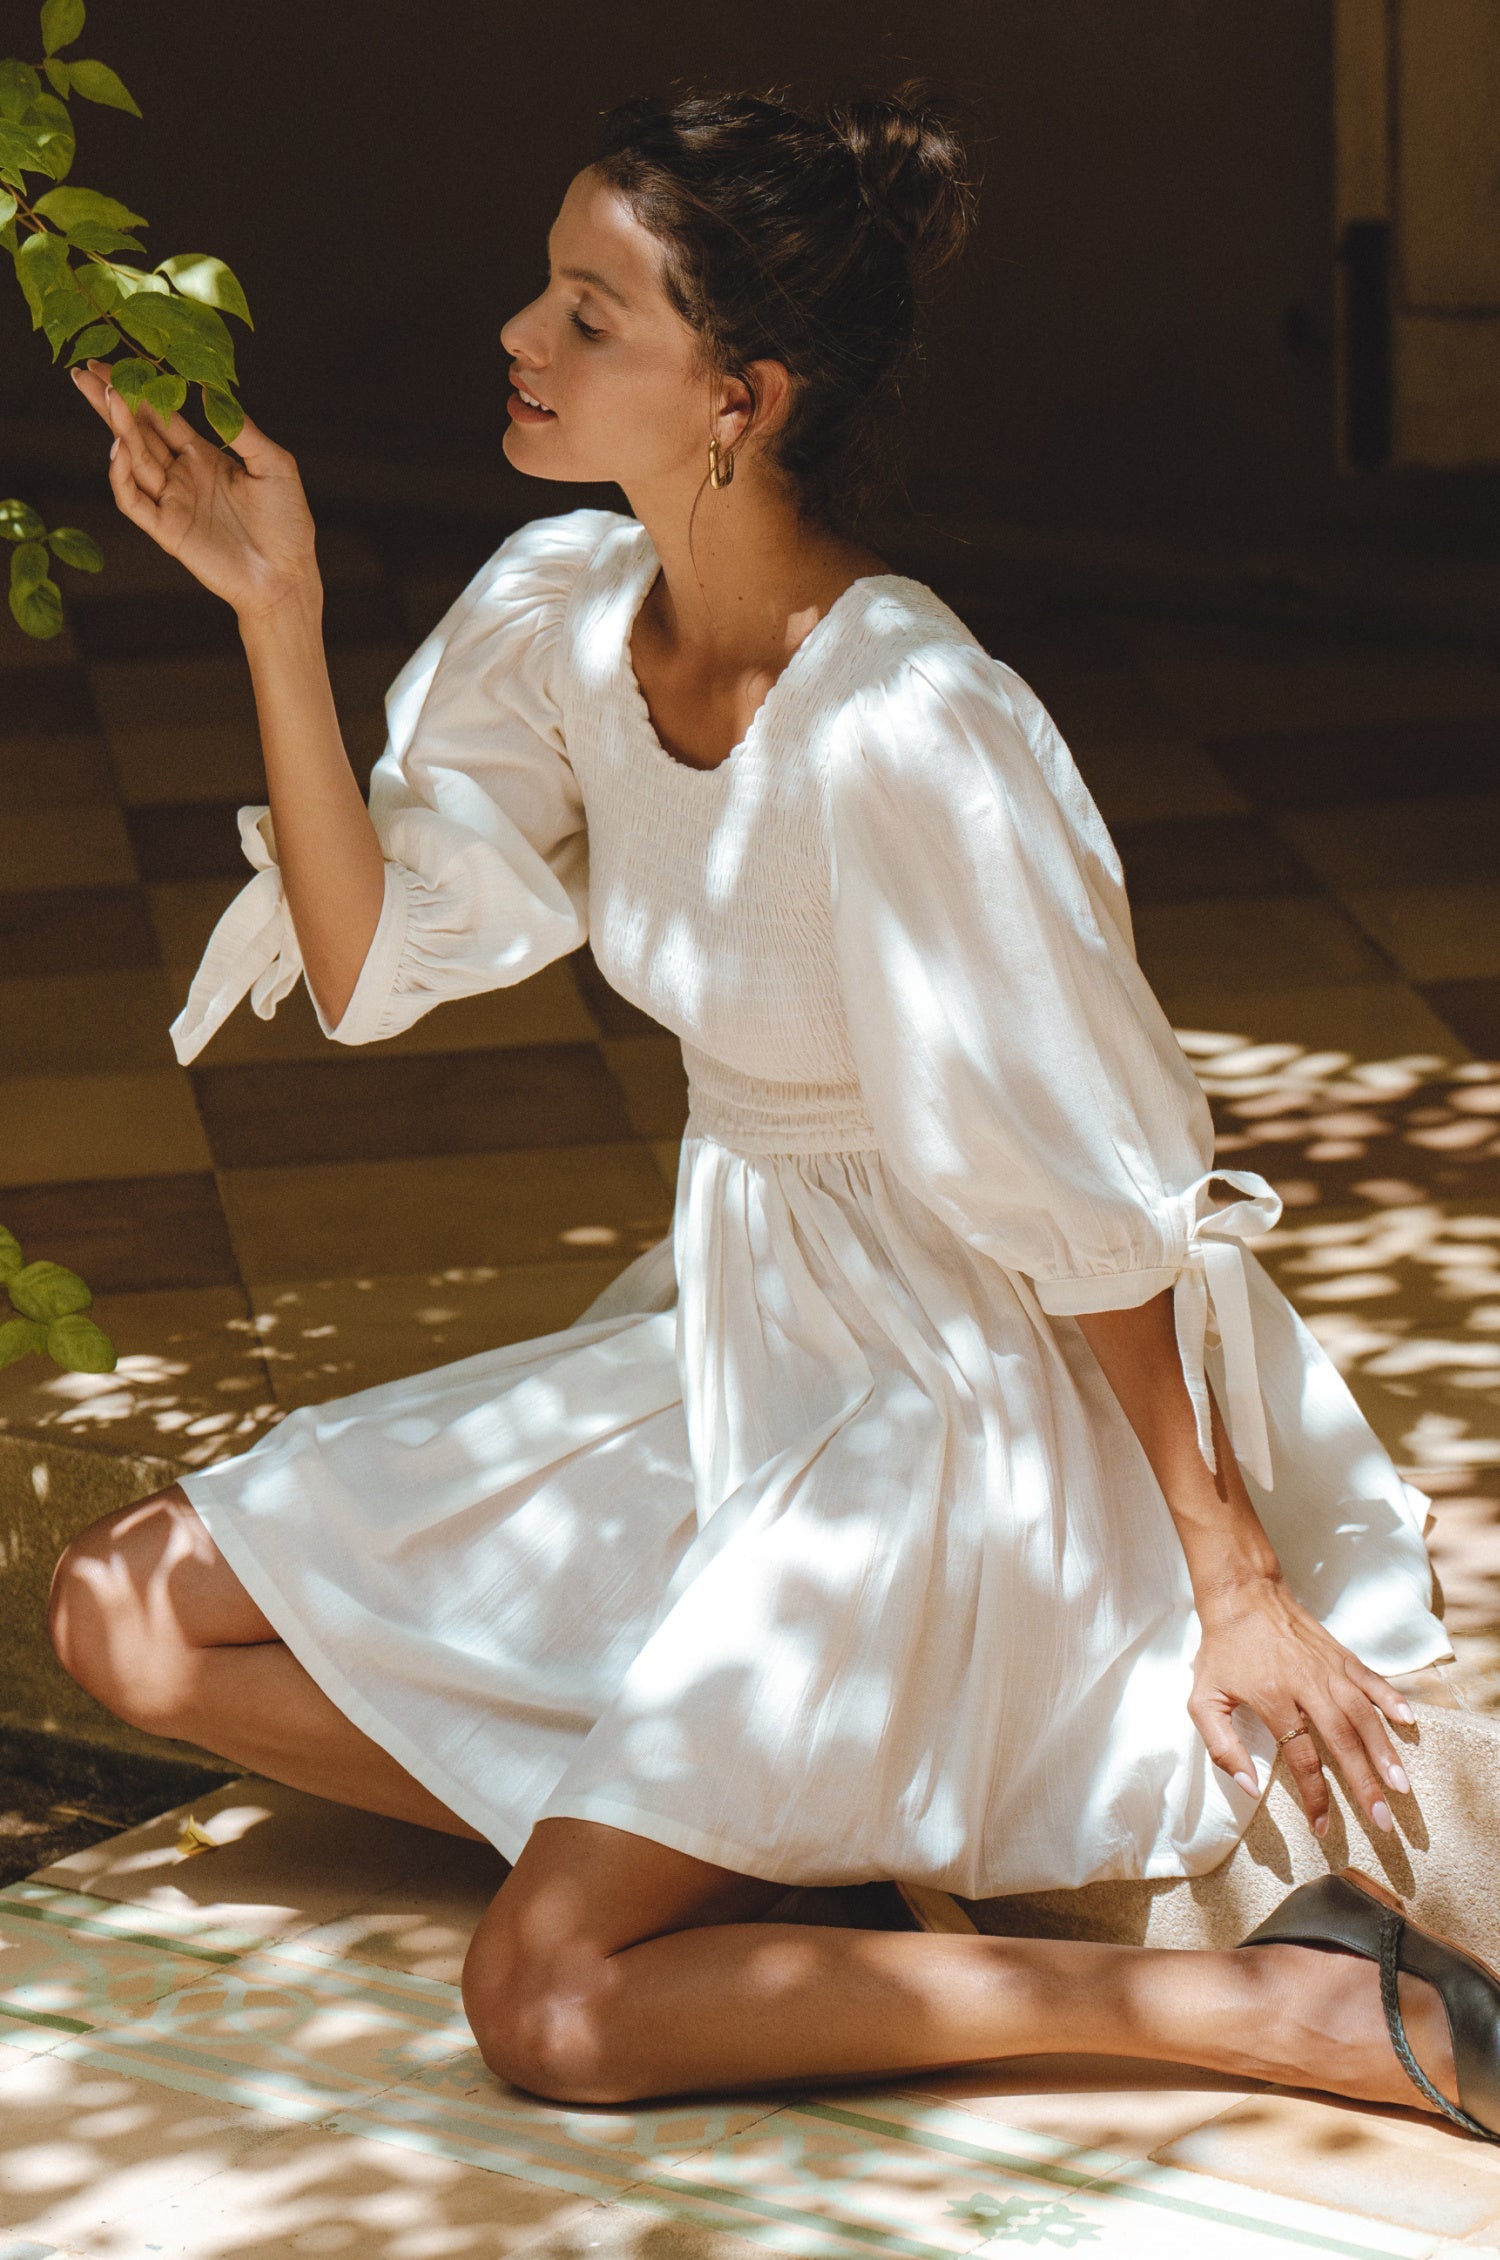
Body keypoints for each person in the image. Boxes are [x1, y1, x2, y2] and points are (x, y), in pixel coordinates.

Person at [49, 84, 1499, 2134]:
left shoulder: (908, 724)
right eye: (544, 292)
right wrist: (271, 610)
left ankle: (1274, 2009)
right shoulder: (569, 614)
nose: (520, 337)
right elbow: (370, 973)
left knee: (550, 1998)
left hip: (955, 1403)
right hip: (746, 1344)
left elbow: (1079, 1189)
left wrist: (1233, 1573)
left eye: (588, 314)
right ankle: (754, 1856)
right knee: (123, 1613)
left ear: (742, 398)